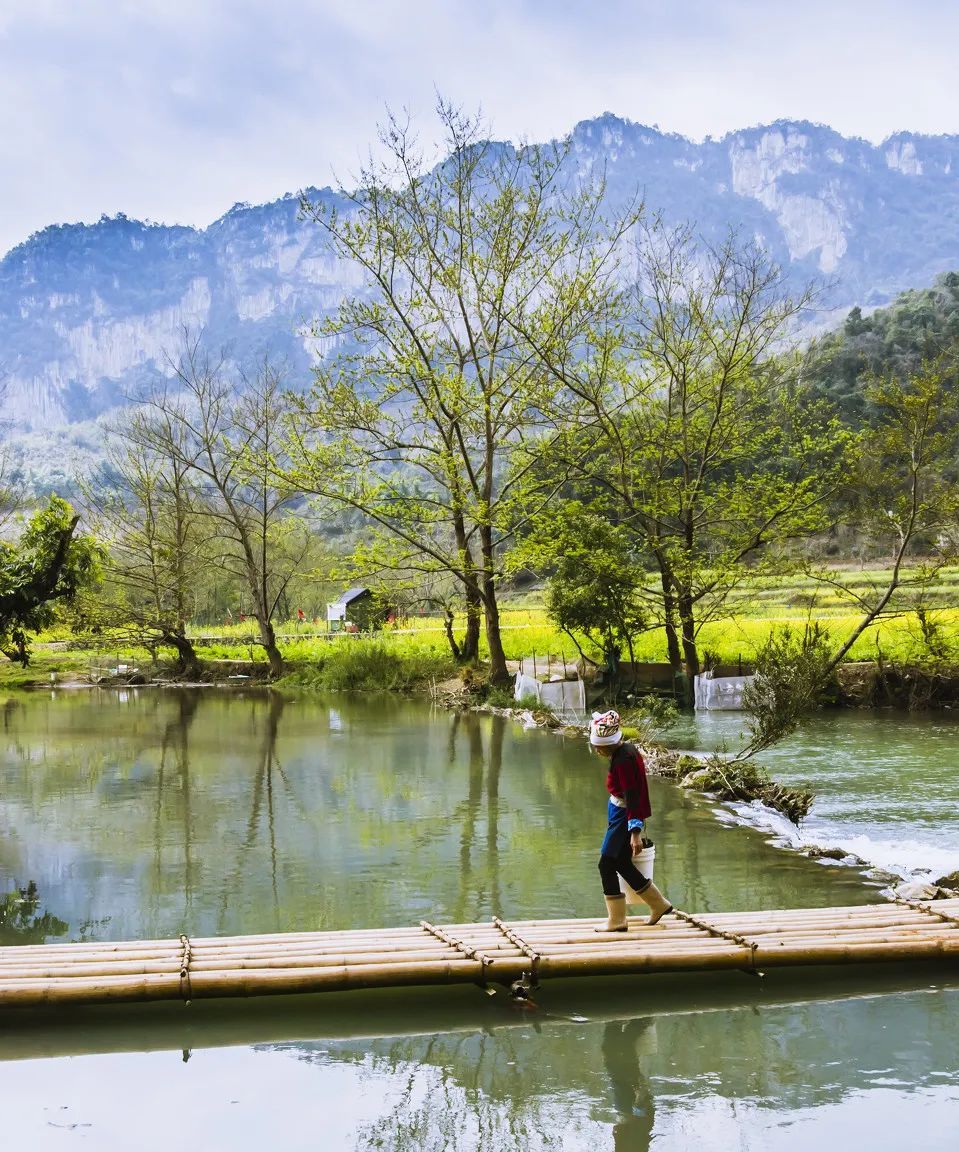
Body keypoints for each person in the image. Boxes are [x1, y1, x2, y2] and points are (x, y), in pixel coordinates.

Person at [589, 709, 673, 932]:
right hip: (620, 812)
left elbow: (632, 794)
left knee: (606, 862)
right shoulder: (626, 750)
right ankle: (658, 904)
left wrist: (635, 830)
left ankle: (617, 920)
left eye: (598, 746)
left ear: (605, 745)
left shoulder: (623, 760)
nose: (596, 750)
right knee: (621, 862)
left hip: (624, 815)